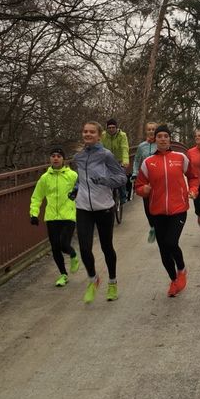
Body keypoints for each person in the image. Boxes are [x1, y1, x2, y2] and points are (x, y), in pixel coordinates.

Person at [135, 125, 199, 297]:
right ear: (155, 139)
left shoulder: (180, 158)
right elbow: (139, 185)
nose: (163, 139)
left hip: (178, 209)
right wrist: (143, 190)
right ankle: (173, 280)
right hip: (157, 211)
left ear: (170, 139)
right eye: (159, 136)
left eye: (166, 136)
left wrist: (193, 190)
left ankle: (182, 269)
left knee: (171, 242)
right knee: (163, 250)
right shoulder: (148, 162)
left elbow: (193, 177)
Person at [73, 121, 127, 303]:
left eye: (92, 132)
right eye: (85, 131)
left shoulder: (106, 155)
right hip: (83, 207)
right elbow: (81, 179)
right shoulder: (78, 157)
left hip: (104, 207)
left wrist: (104, 180)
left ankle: (112, 282)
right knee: (84, 248)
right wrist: (75, 189)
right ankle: (93, 279)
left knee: (106, 247)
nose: (87, 134)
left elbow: (121, 178)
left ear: (99, 135)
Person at [29, 146, 80, 286]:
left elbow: (83, 189)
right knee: (55, 247)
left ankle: (73, 254)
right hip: (51, 217)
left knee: (64, 244)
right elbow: (37, 197)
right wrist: (34, 214)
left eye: (58, 156)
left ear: (63, 159)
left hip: (68, 215)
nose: (56, 158)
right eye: (53, 156)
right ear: (50, 159)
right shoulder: (45, 178)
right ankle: (63, 275)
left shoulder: (72, 175)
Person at [132, 121, 158, 243]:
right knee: (147, 207)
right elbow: (137, 161)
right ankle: (152, 226)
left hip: (158, 179)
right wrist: (134, 173)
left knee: (158, 204)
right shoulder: (141, 146)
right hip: (145, 180)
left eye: (153, 129)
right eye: (149, 129)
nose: (151, 131)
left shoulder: (160, 144)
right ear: (146, 131)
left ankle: (160, 226)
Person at [101, 118, 130, 204]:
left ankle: (123, 196)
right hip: (107, 160)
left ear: (116, 128)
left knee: (121, 176)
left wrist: (125, 161)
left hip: (119, 160)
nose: (111, 129)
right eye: (109, 127)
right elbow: (100, 148)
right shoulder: (103, 135)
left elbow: (124, 148)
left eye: (113, 127)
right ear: (107, 128)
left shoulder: (122, 135)